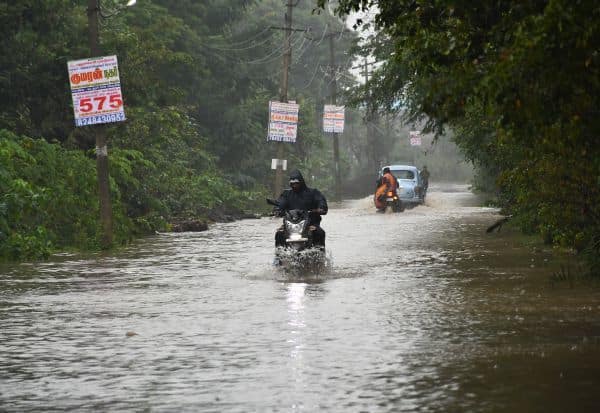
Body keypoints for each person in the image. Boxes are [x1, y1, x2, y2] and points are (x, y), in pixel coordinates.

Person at [274, 170, 328, 249]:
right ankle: (278, 257)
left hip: (310, 224)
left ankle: (320, 255)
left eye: (296, 183)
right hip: (290, 225)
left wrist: (321, 208)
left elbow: (320, 201)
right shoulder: (286, 194)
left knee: (319, 233)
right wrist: (277, 209)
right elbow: (281, 202)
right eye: (292, 184)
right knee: (279, 233)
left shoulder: (313, 193)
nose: (294, 186)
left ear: (301, 182)